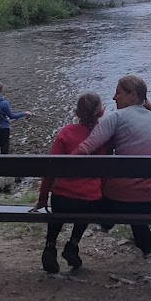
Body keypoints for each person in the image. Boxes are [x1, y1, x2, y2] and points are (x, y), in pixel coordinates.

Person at [73, 74, 151, 257]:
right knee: (133, 193)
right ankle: (147, 245)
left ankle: (104, 224)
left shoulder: (117, 117)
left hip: (120, 201)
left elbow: (85, 149)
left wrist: (62, 164)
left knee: (114, 195)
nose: (114, 97)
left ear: (132, 95)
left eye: (118, 93)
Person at [30, 93, 105, 274]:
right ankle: (73, 243)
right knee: (89, 201)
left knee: (59, 206)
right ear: (100, 112)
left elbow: (50, 169)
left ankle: (50, 246)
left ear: (77, 113)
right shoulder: (104, 136)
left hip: (62, 198)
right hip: (90, 200)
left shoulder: (66, 133)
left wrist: (42, 198)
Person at [0, 83, 30, 154]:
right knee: (4, 149)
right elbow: (12, 116)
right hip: (3, 129)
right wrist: (24, 113)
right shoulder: (4, 103)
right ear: (2, 90)